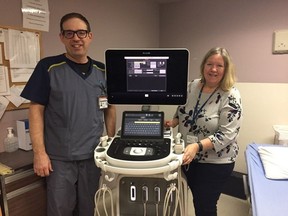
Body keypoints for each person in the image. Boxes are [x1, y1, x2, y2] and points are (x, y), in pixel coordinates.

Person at [21, 12, 116, 216]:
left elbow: (110, 107)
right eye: (70, 33)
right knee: (60, 210)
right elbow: (35, 109)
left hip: (93, 156)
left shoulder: (102, 70)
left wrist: (110, 141)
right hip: (59, 159)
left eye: (81, 32)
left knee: (91, 208)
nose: (76, 38)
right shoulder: (48, 67)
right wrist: (39, 154)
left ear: (89, 36)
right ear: (61, 37)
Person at [165, 47, 243, 216]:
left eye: (219, 66)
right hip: (188, 158)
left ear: (226, 69)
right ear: (203, 66)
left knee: (205, 206)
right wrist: (174, 122)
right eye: (209, 64)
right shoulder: (192, 86)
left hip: (215, 163)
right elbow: (182, 109)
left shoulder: (231, 95)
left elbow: (227, 134)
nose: (213, 69)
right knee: (193, 200)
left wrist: (196, 147)